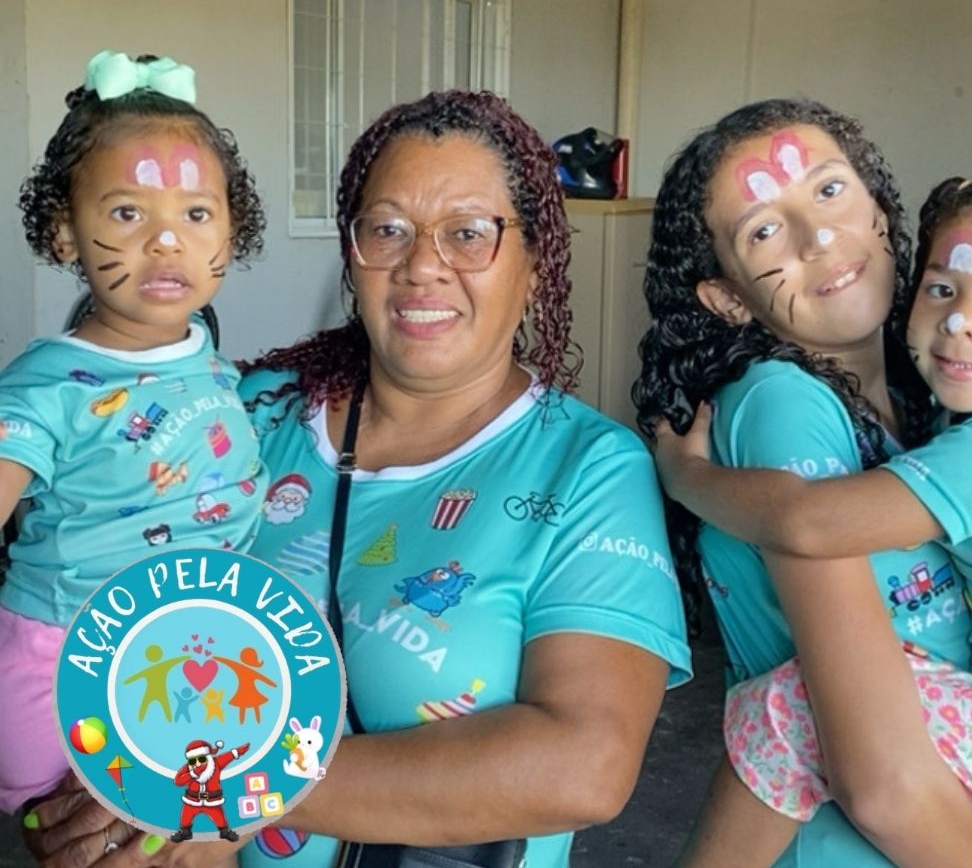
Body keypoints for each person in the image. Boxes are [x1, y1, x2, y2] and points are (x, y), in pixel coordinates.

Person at [26, 89, 692, 868]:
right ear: (352, 253)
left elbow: (582, 763)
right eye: (388, 229)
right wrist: (81, 811)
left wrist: (226, 793)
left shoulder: (588, 468)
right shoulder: (243, 415)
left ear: (536, 262)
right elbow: (83, 598)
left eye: (468, 234)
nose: (422, 266)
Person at [657, 171, 972, 866]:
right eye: (942, 289)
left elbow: (809, 524)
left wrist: (686, 477)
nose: (962, 321)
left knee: (798, 703)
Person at [0, 49, 267, 816]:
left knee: (188, 834)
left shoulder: (210, 361)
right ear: (63, 232)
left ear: (230, 233)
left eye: (196, 215)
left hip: (196, 650)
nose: (166, 241)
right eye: (127, 213)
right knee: (84, 841)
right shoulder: (46, 385)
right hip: (62, 663)